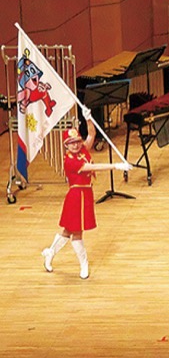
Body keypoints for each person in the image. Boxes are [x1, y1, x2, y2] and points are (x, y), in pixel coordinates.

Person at [40, 119, 130, 279]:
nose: (75, 145)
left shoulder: (82, 151)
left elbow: (92, 134)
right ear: (66, 145)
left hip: (86, 194)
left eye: (77, 141)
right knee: (77, 232)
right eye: (71, 143)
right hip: (76, 196)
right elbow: (93, 167)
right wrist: (116, 166)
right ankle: (84, 264)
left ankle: (50, 252)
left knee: (68, 230)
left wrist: (88, 119)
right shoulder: (70, 161)